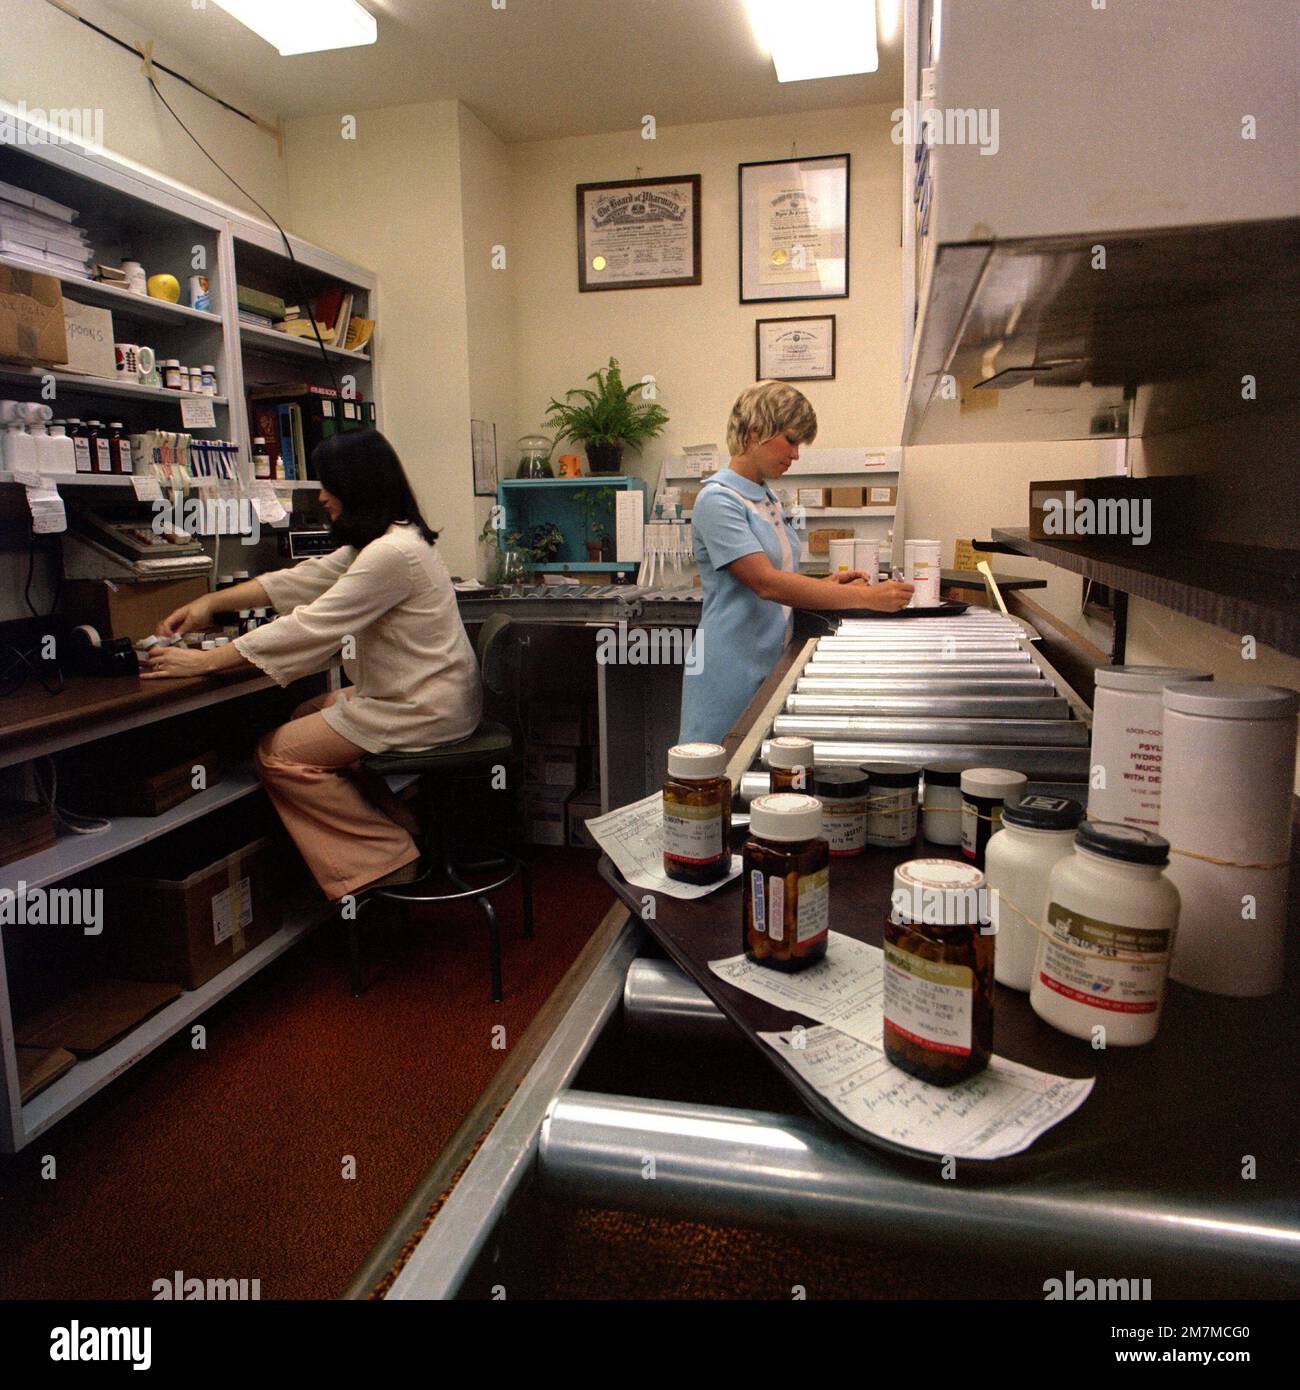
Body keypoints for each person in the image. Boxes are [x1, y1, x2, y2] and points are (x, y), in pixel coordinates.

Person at [145, 430, 482, 901]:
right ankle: (402, 820)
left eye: (328, 484)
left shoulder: (389, 553)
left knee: (276, 753)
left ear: (358, 485)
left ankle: (387, 857)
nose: (321, 495)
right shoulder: (392, 538)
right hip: (428, 694)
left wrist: (206, 662)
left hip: (423, 707)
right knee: (307, 716)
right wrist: (209, 602)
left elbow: (309, 625)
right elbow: (301, 581)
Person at [679, 382, 913, 744]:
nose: (796, 454)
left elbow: (782, 578)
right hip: (730, 670)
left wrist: (827, 587)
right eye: (790, 440)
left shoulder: (766, 498)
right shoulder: (718, 500)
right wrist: (868, 598)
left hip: (771, 660)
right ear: (756, 433)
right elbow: (767, 583)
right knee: (716, 775)